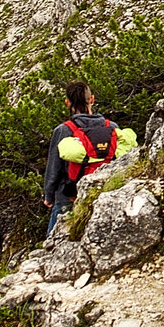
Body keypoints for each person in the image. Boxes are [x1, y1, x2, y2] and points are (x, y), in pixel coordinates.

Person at [43, 81, 137, 239]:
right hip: (105, 192)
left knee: (54, 245)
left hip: (68, 195)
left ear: (67, 103)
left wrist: (49, 196)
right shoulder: (111, 126)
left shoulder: (64, 130)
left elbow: (54, 168)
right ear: (92, 99)